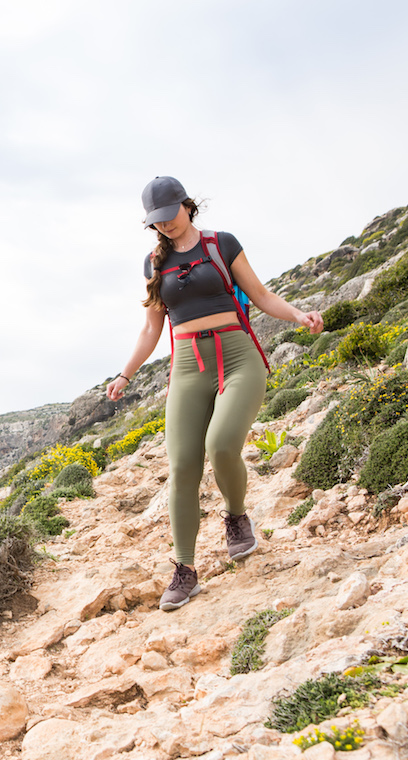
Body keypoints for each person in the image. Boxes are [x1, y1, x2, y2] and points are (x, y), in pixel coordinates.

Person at [105, 176, 323, 611]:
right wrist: (125, 375)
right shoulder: (153, 264)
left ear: (187, 206)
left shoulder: (221, 244)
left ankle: (236, 515)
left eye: (170, 215)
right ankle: (184, 570)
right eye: (156, 221)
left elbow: (259, 294)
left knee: (221, 445)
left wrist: (299, 315)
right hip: (187, 366)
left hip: (238, 356)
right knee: (183, 464)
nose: (164, 225)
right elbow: (152, 328)